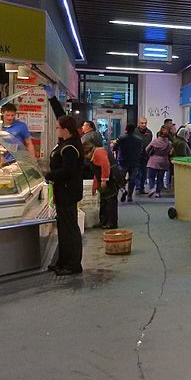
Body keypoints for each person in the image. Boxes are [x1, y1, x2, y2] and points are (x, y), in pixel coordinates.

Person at [44, 116, 84, 276]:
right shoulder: (66, 144)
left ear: (65, 129)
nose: (56, 130)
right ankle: (63, 261)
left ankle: (73, 264)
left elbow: (69, 171)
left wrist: (49, 175)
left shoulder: (69, 148)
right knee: (64, 228)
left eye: (58, 128)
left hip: (68, 193)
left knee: (70, 229)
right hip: (64, 192)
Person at [83, 141, 120, 229]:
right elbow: (97, 172)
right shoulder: (93, 157)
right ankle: (103, 221)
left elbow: (105, 165)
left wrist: (104, 180)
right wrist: (95, 186)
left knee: (110, 201)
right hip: (106, 180)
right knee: (103, 201)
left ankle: (112, 222)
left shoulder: (99, 153)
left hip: (112, 179)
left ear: (88, 152)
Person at [114, 123, 145, 202]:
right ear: (134, 130)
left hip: (122, 160)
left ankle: (123, 190)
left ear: (126, 129)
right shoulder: (139, 139)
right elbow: (141, 150)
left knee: (121, 178)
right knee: (132, 179)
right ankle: (130, 196)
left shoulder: (121, 138)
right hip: (134, 161)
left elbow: (115, 148)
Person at [145, 127, 172, 198]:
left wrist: (150, 154)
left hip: (153, 160)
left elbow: (147, 149)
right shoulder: (169, 143)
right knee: (160, 178)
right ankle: (158, 193)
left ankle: (152, 188)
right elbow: (170, 152)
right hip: (164, 161)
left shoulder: (155, 141)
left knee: (151, 176)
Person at [135, 117, 154, 192]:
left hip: (145, 156)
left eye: (145, 123)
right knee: (136, 172)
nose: (144, 124)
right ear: (139, 123)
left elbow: (149, 143)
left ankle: (142, 187)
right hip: (136, 155)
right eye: (142, 123)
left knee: (144, 172)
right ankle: (137, 187)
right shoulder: (134, 132)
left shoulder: (149, 132)